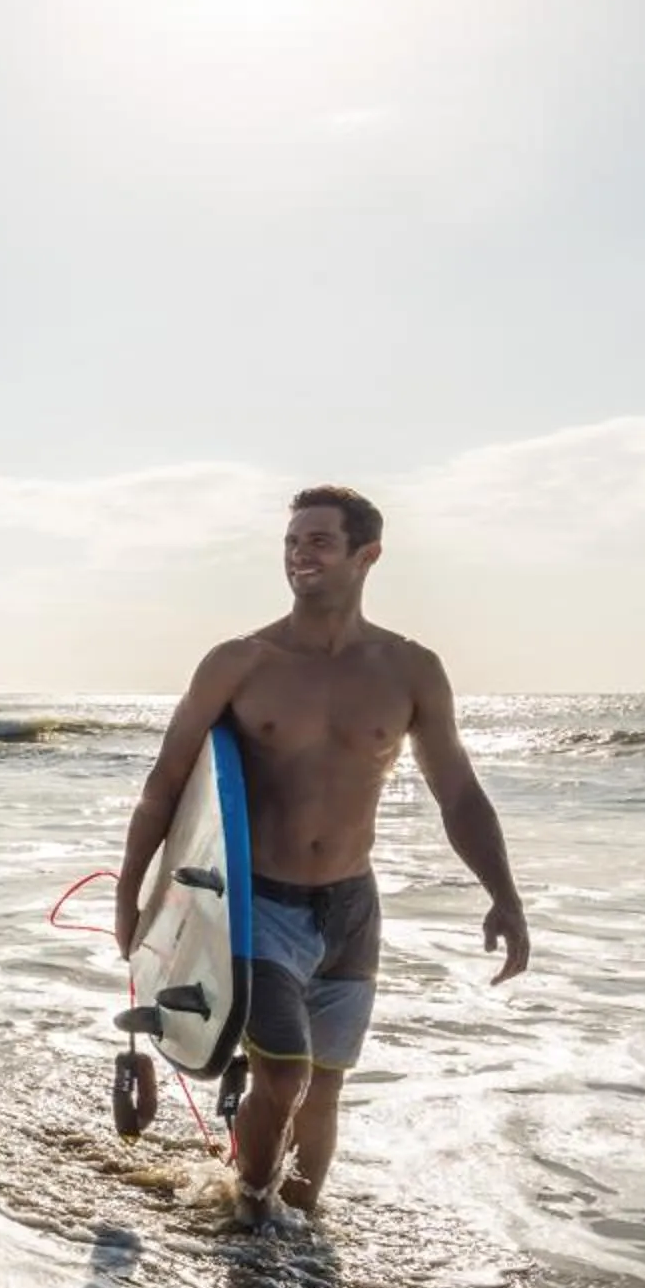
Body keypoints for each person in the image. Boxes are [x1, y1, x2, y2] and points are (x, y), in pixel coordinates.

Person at [114, 485, 529, 1226]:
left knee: (325, 1085)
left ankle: (295, 1234)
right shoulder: (240, 663)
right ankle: (249, 1210)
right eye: (292, 542)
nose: (299, 555)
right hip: (257, 904)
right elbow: (168, 783)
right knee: (286, 1075)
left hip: (351, 907)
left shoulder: (410, 670)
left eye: (318, 542)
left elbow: (458, 791)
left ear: (367, 555)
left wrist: (504, 895)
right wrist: (132, 895)